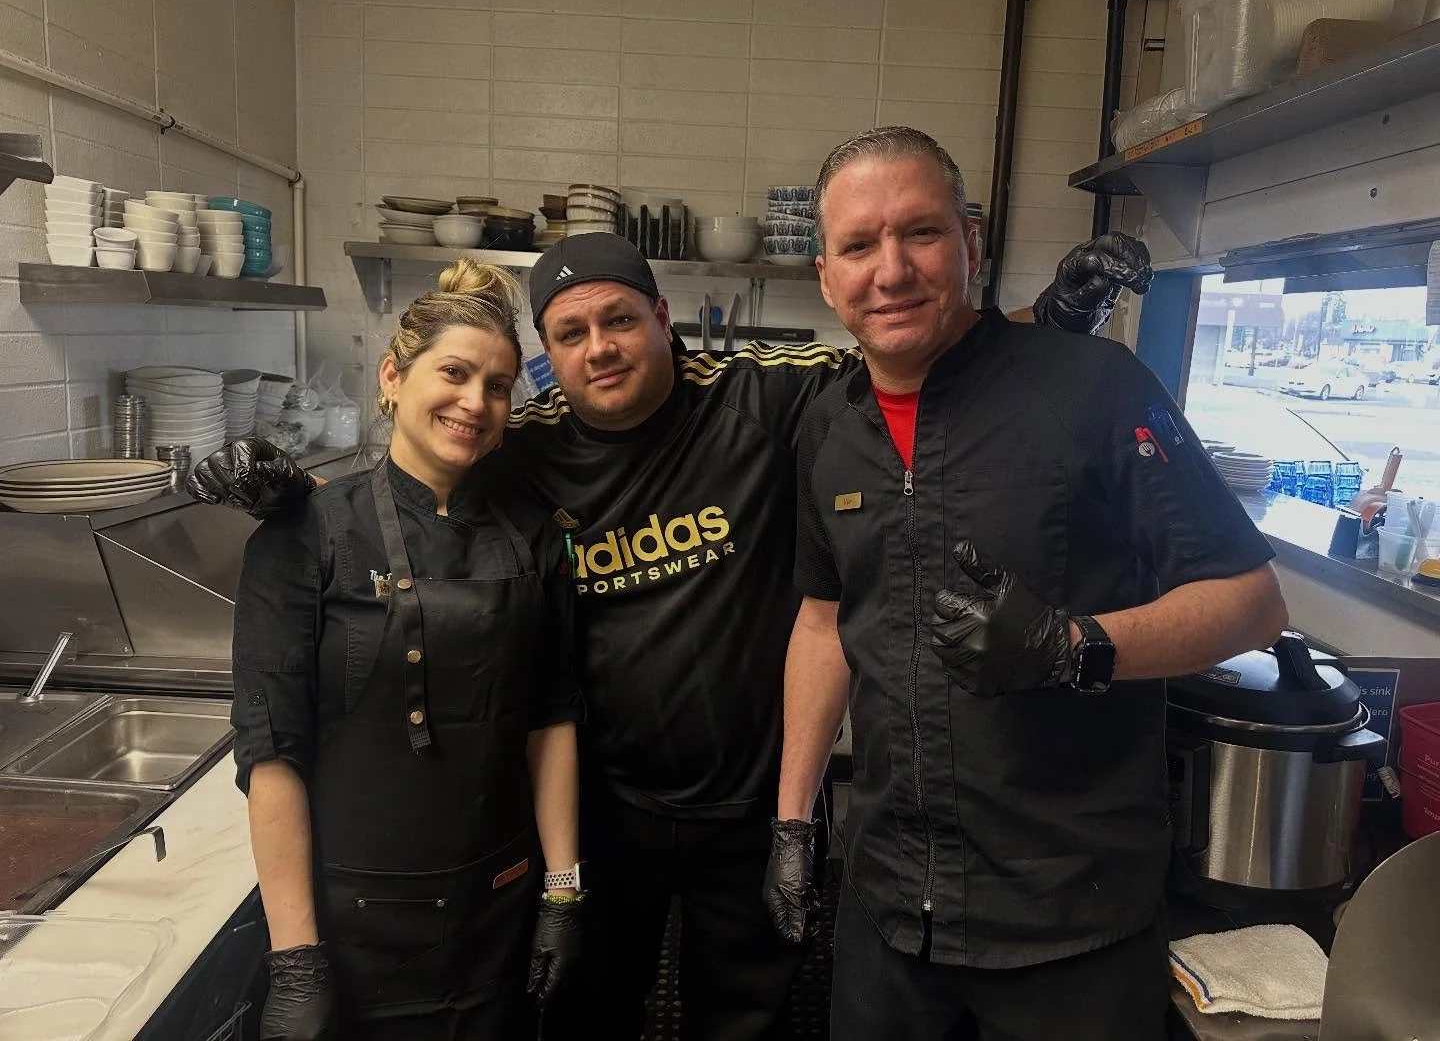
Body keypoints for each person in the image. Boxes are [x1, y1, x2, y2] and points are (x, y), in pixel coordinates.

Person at [193, 224, 1152, 1041]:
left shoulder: (759, 395)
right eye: (570, 334)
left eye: (619, 319)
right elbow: (418, 476)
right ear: (548, 353)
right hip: (603, 807)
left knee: (748, 1021)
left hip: (751, 806)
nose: (600, 348)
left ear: (664, 317)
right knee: (586, 1016)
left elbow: (901, 354)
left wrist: (1050, 321)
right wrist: (301, 500)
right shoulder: (525, 445)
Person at [764, 126, 1290, 1041]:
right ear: (826, 276)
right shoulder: (828, 429)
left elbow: (1253, 606)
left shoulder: (1095, 389)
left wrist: (1072, 646)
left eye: (920, 233)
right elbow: (822, 624)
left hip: (1072, 919)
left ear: (969, 243)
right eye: (858, 245)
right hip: (890, 911)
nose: (891, 270)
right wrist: (792, 823)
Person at [231, 263, 585, 1041]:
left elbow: (551, 717)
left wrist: (562, 891)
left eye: (498, 386)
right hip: (351, 929)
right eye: (454, 373)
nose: (476, 402)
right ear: (393, 377)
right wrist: (297, 960)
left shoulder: (533, 534)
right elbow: (271, 751)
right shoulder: (304, 536)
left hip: (497, 907)